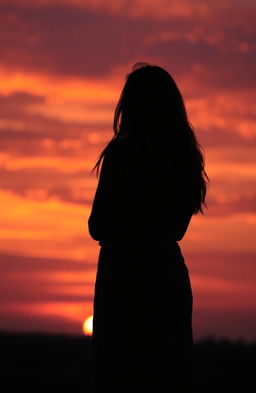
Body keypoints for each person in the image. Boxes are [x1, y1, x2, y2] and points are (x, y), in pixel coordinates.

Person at [88, 62, 209, 392]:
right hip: (166, 276)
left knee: (118, 375)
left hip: (123, 279)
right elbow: (177, 228)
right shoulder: (183, 158)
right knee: (166, 375)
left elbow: (97, 225)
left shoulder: (122, 154)